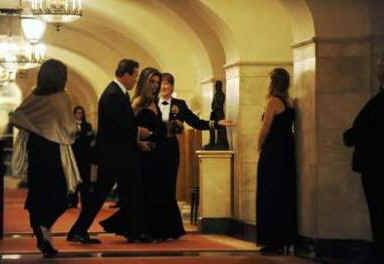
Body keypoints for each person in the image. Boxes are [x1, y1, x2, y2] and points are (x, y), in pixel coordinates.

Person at [67, 59, 152, 244]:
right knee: (101, 195)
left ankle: (134, 232)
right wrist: (138, 132)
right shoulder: (113, 94)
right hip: (114, 156)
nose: (136, 80)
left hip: (119, 154)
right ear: (126, 74)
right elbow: (117, 126)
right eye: (135, 75)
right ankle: (78, 230)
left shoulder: (117, 93)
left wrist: (136, 141)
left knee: (129, 193)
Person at [11, 59, 81, 258]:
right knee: (61, 194)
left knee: (39, 192)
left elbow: (17, 116)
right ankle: (45, 228)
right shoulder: (62, 97)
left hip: (36, 148)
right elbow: (69, 129)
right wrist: (73, 129)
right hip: (54, 151)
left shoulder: (34, 95)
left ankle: (42, 231)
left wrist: (36, 128)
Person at [157, 73, 233, 239]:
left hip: (170, 149)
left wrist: (216, 124)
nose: (164, 87)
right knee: (154, 187)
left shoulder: (179, 104)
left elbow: (196, 123)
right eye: (162, 83)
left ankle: (169, 229)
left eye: (168, 84)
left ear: (172, 86)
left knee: (169, 187)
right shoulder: (150, 103)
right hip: (152, 149)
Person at [100, 67, 165, 241]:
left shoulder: (156, 102)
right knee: (139, 193)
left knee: (151, 192)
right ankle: (137, 230)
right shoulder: (137, 102)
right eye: (152, 81)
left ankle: (149, 229)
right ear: (144, 82)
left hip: (154, 152)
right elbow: (126, 126)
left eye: (157, 82)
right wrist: (138, 140)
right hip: (139, 153)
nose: (155, 85)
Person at [343, 55, 384, 263]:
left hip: (375, 166)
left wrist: (350, 135)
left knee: (378, 211)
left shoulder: (378, 102)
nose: (378, 72)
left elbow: (359, 131)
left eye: (380, 69)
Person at [256, 68, 297, 255]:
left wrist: (259, 145)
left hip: (273, 151)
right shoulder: (289, 102)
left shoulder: (273, 102)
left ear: (273, 83)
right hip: (286, 151)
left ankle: (271, 240)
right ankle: (284, 238)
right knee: (283, 193)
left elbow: (266, 128)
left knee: (269, 192)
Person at [67, 106, 95, 209]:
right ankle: (72, 201)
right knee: (74, 180)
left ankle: (85, 202)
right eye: (77, 113)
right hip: (73, 157)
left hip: (84, 157)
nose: (79, 115)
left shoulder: (88, 126)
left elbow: (89, 139)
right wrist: (83, 137)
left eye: (81, 113)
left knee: (85, 180)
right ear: (74, 114)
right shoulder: (69, 125)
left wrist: (80, 137)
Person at [205, 80, 229, 150]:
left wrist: (215, 107)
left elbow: (219, 104)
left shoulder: (222, 94)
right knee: (211, 126)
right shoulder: (216, 94)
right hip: (214, 112)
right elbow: (213, 104)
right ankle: (211, 142)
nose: (216, 87)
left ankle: (221, 143)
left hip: (219, 113)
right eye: (215, 86)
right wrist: (213, 107)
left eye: (217, 86)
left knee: (220, 129)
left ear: (220, 86)